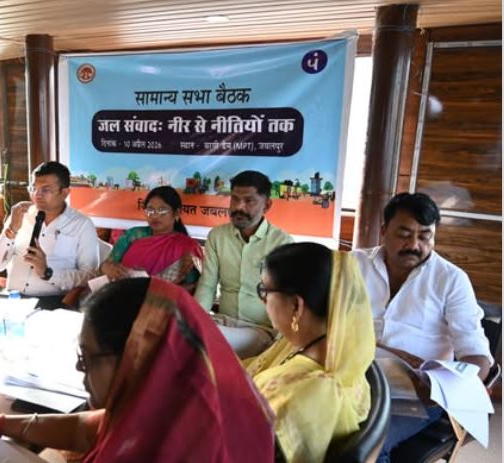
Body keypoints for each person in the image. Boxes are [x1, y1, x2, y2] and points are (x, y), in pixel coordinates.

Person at [0, 278, 276, 462]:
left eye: (87, 357)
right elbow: (91, 428)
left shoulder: (195, 449)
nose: (79, 367)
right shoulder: (183, 403)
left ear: (137, 358)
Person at [351, 192, 493, 461]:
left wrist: (449, 388)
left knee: (365, 446)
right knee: (301, 426)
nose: (414, 245)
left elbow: (476, 354)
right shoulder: (354, 265)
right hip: (351, 381)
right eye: (404, 234)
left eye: (425, 236)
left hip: (414, 396)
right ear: (384, 231)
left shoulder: (451, 280)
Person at [245, 242, 375, 462]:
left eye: (265, 291)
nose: (263, 300)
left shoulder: (289, 396)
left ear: (296, 306)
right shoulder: (344, 357)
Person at [194, 170, 293, 358]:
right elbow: (207, 285)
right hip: (222, 322)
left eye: (249, 201)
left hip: (258, 331)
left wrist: (279, 348)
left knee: (202, 340)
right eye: (235, 199)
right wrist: (195, 320)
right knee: (180, 331)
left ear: (267, 205)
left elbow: (287, 298)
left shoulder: (282, 243)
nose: (239, 207)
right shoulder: (217, 236)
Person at [0, 161, 100, 309]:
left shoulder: (81, 224)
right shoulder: (20, 216)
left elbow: (89, 275)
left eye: (45, 190)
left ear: (64, 193)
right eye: (33, 188)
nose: (37, 195)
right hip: (13, 299)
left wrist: (47, 272)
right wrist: (11, 230)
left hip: (54, 302)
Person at [99, 186, 203, 291]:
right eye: (150, 210)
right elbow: (106, 265)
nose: (155, 216)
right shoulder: (133, 235)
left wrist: (156, 290)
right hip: (122, 294)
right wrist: (107, 268)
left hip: (164, 300)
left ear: (176, 213)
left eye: (162, 211)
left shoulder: (188, 247)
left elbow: (194, 287)